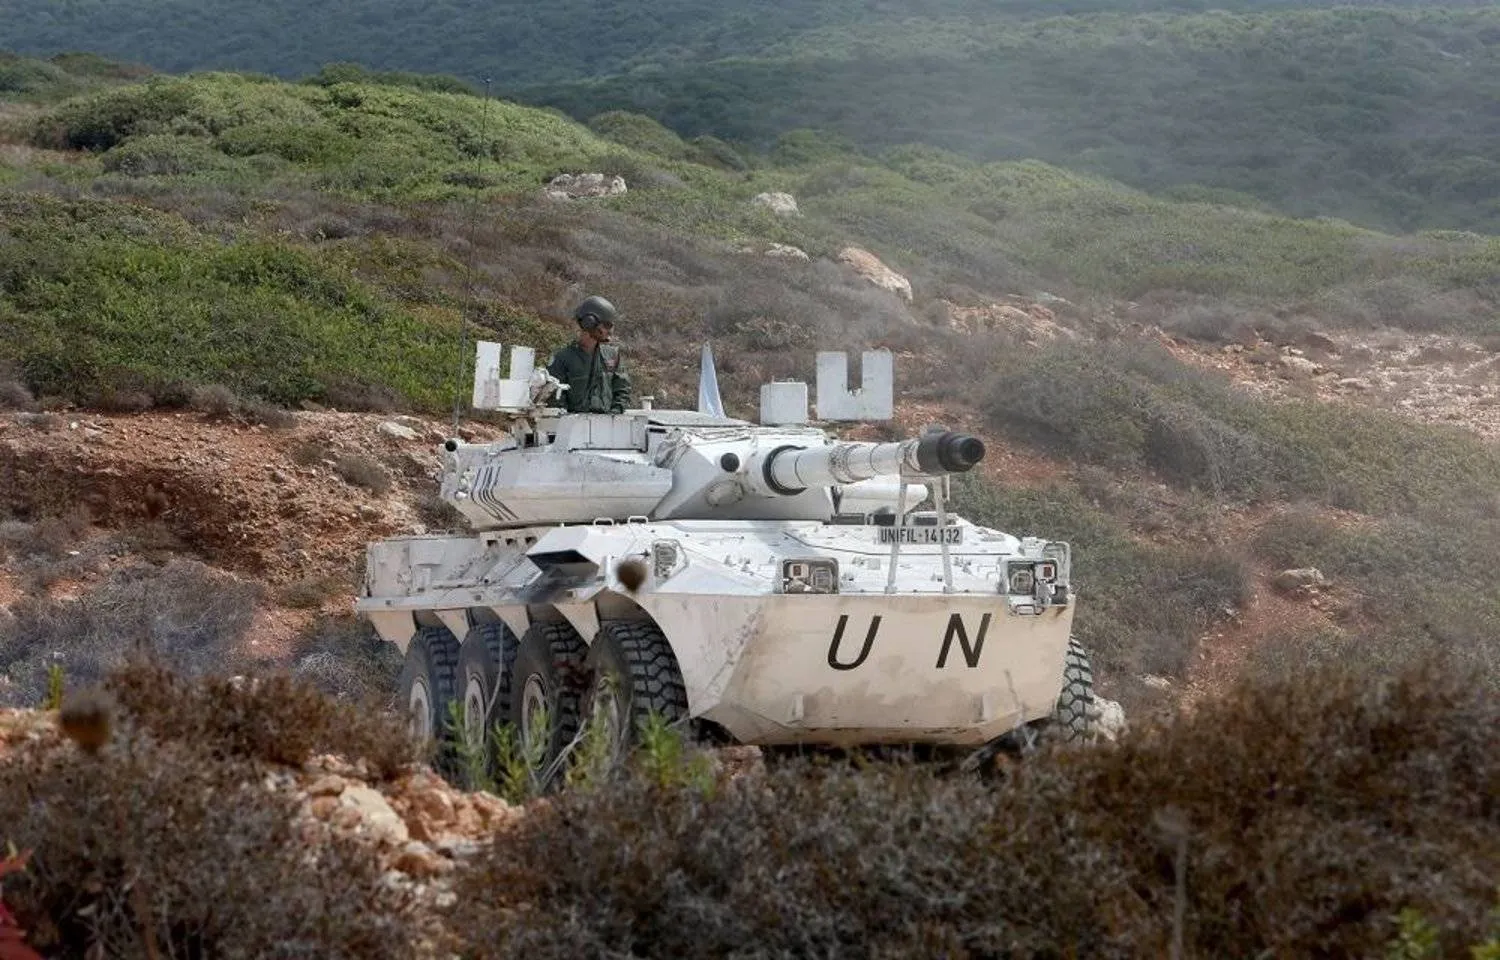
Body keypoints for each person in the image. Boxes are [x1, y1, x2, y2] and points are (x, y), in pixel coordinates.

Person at [545, 295, 633, 414]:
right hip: (574, 426)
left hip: (607, 425)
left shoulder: (612, 355)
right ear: (589, 323)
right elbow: (555, 399)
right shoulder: (562, 358)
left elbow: (622, 390)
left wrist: (615, 413)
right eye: (607, 325)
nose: (610, 331)